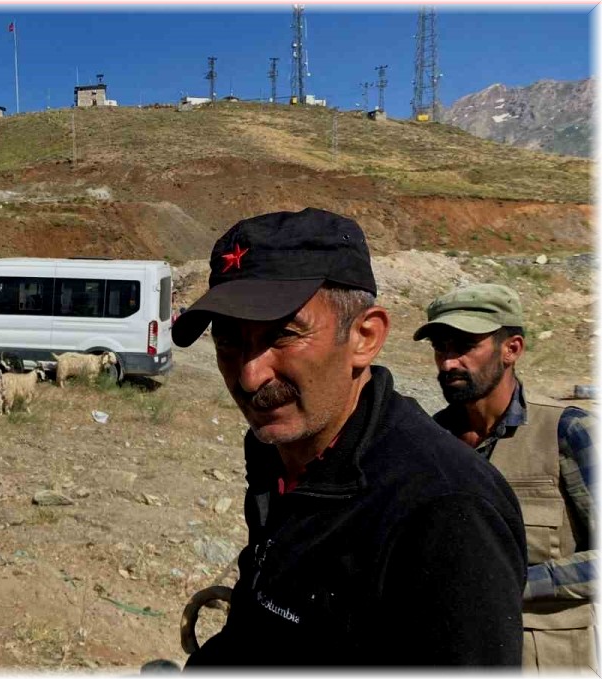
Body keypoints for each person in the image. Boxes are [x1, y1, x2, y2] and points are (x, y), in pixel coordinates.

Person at [170, 207, 526, 666]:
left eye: (282, 335)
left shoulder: (446, 511)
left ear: (365, 337)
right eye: (229, 341)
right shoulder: (277, 450)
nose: (250, 375)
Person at [414, 283, 596, 672]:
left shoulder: (568, 432)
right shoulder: (428, 441)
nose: (448, 363)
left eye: (466, 346)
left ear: (511, 349)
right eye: (441, 347)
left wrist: (505, 585)